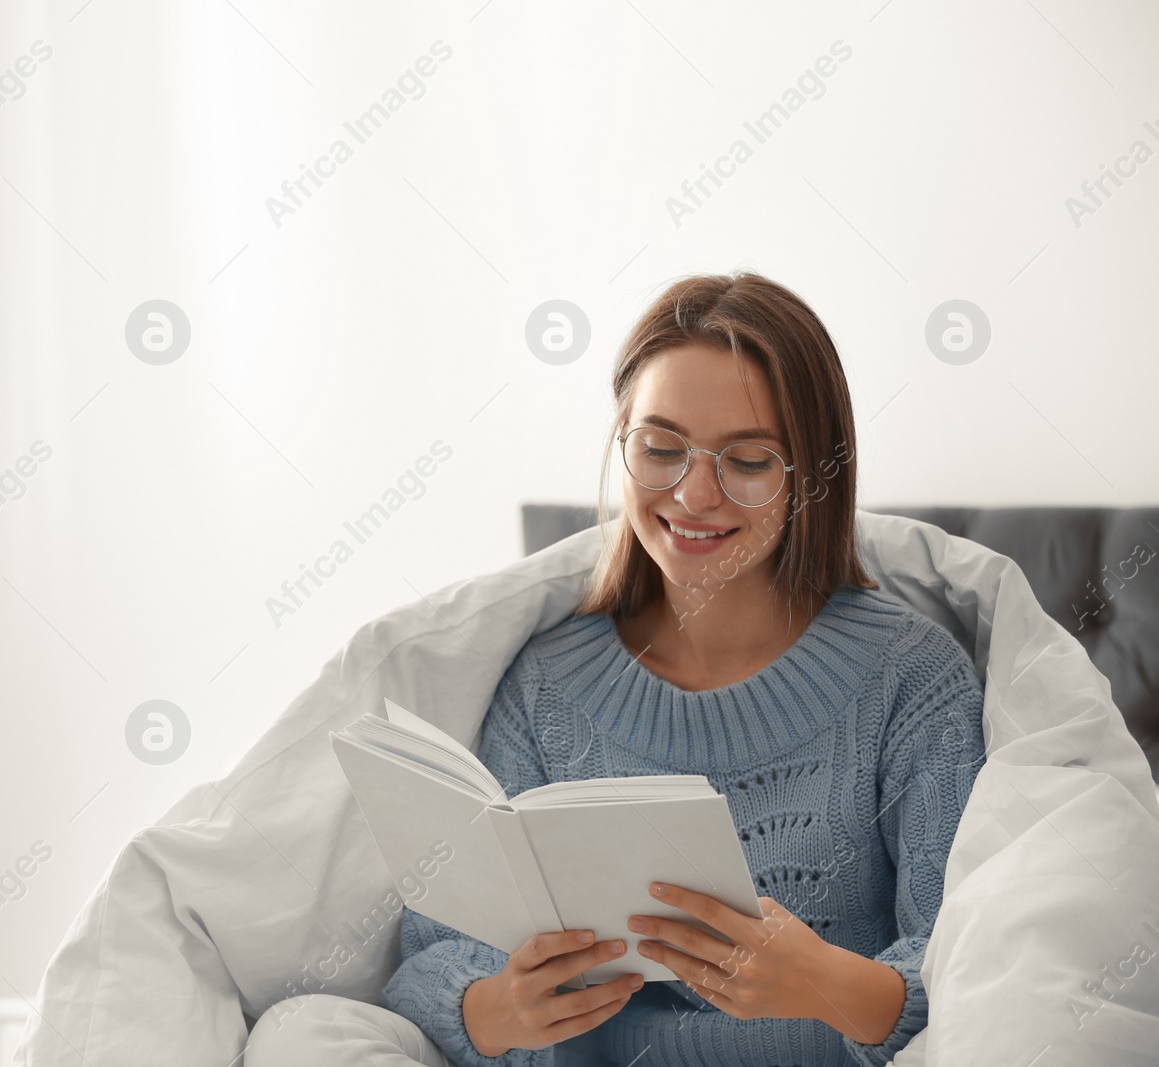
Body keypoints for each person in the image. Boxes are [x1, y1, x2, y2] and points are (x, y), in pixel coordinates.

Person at [243, 271, 988, 1067]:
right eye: (661, 447)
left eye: (748, 460)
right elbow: (436, 957)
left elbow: (975, 971)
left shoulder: (910, 678)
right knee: (299, 1035)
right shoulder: (546, 686)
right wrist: (502, 1008)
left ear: (813, 473)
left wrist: (826, 982)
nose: (694, 494)